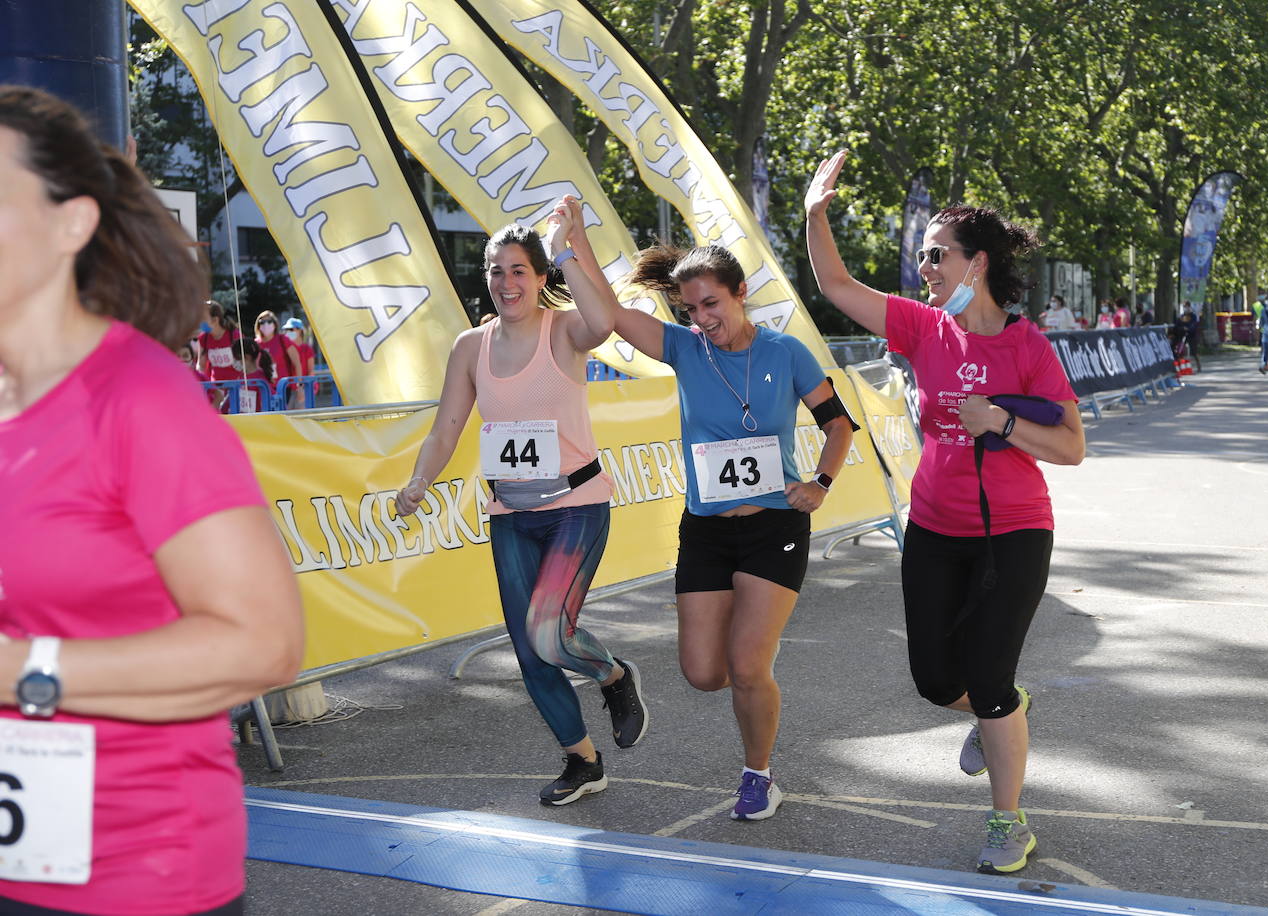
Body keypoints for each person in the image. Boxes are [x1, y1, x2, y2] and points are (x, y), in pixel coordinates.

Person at [0, 84, 303, 916]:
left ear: (73, 224)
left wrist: (26, 672)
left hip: (131, 873)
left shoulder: (138, 397)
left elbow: (264, 646)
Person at [806, 150, 1084, 874]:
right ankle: (1008, 712)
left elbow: (1071, 447)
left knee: (987, 680)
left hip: (1013, 533)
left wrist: (998, 422)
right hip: (933, 528)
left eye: (936, 256)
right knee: (937, 681)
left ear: (977, 263)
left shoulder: (1027, 346)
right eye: (923, 257)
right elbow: (834, 283)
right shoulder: (924, 330)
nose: (924, 269)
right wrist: (814, 213)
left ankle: (1007, 821)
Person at [395, 197, 647, 807]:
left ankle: (615, 676)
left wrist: (568, 244)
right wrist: (418, 482)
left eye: (518, 271)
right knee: (530, 650)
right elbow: (446, 428)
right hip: (511, 513)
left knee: (550, 634)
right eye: (496, 270)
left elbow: (605, 319)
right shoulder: (469, 347)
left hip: (576, 505)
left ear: (538, 279)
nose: (507, 283)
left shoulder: (563, 330)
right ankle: (582, 761)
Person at [604, 226, 856, 823]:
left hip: (775, 526)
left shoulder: (785, 352)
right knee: (702, 673)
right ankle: (750, 692)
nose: (702, 318)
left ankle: (758, 774)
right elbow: (608, 315)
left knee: (747, 666)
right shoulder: (685, 348)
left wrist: (819, 483)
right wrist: (570, 250)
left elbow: (838, 424)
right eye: (690, 309)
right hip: (708, 530)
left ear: (741, 292)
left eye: (711, 304)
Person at [253, 309, 301, 398]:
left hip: (282, 388)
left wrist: (300, 386)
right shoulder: (255, 344)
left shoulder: (283, 340)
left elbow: (297, 362)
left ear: (275, 324)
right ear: (258, 326)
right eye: (262, 322)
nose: (265, 324)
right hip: (262, 388)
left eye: (269, 321)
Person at [282, 316, 316, 408]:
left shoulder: (307, 349)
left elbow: (311, 370)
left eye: (291, 329)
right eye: (287, 329)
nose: (288, 332)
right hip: (287, 389)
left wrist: (304, 389)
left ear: (300, 330)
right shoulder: (286, 348)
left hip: (303, 389)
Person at [1174, 302, 1202, 371]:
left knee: (1194, 352)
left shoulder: (1193, 316)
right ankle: (1181, 368)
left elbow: (1194, 325)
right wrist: (1182, 328)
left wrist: (1189, 328)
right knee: (1180, 351)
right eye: (1184, 307)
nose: (1185, 308)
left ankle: (1199, 367)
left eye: (1186, 307)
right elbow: (1177, 325)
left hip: (1192, 335)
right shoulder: (1181, 317)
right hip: (1182, 335)